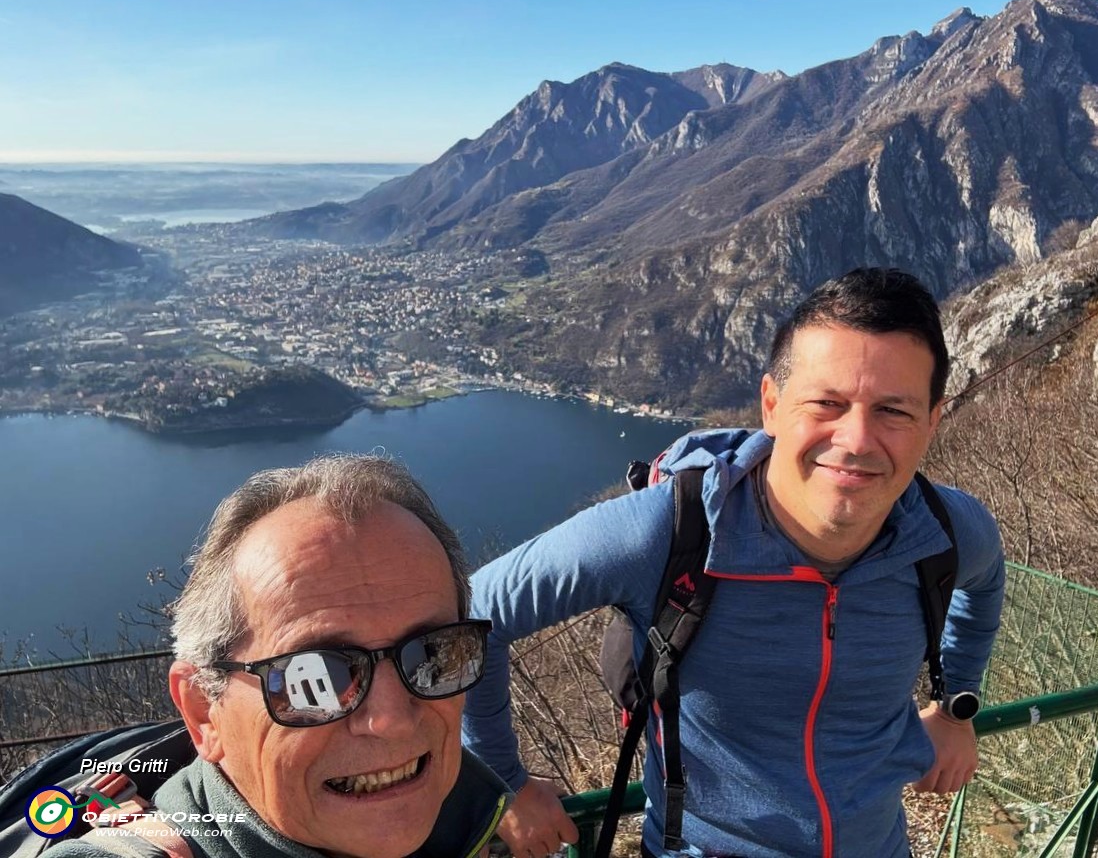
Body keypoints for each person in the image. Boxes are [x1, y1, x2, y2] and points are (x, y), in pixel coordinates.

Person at [462, 268, 1007, 858]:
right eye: (826, 403)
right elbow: (472, 613)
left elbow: (985, 583)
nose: (855, 439)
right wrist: (501, 786)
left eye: (893, 411)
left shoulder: (945, 533)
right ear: (771, 405)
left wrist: (956, 706)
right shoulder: (668, 533)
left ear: (932, 420)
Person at [49, 455, 510, 858]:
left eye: (432, 655)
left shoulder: (468, 811)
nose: (393, 720)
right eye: (314, 678)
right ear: (204, 712)